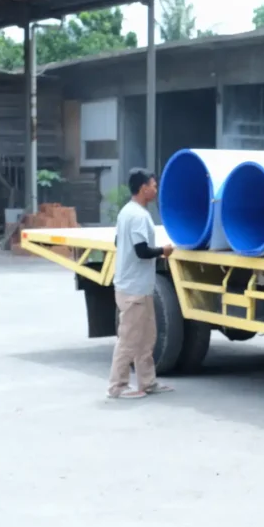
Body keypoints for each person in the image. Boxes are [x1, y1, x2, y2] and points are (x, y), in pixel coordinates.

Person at [107, 168, 175, 400]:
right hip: (133, 290)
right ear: (143, 188)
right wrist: (164, 251)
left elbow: (118, 241)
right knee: (128, 340)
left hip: (140, 288)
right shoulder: (137, 216)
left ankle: (147, 382)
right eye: (154, 186)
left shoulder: (127, 212)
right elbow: (141, 251)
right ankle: (117, 386)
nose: (156, 190)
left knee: (146, 339)